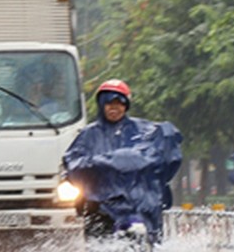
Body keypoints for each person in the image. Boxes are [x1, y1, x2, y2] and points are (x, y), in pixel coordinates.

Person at [62, 79, 183, 243]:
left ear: (126, 106)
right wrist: (103, 164)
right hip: (99, 205)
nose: (114, 108)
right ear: (102, 105)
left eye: (119, 104)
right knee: (98, 247)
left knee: (144, 241)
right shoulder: (89, 134)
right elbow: (73, 163)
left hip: (136, 205)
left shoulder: (143, 130)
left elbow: (162, 153)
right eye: (109, 104)